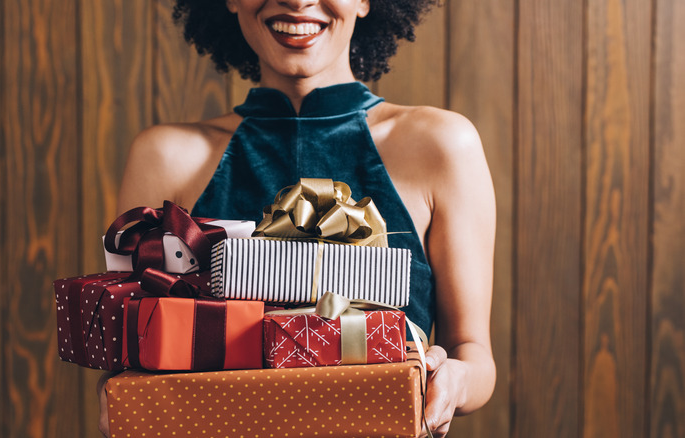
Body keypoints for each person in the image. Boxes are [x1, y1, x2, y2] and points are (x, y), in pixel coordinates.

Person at [99, 0, 496, 437]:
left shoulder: (442, 146)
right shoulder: (165, 157)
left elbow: (472, 352)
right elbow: (122, 362)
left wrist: (453, 381)